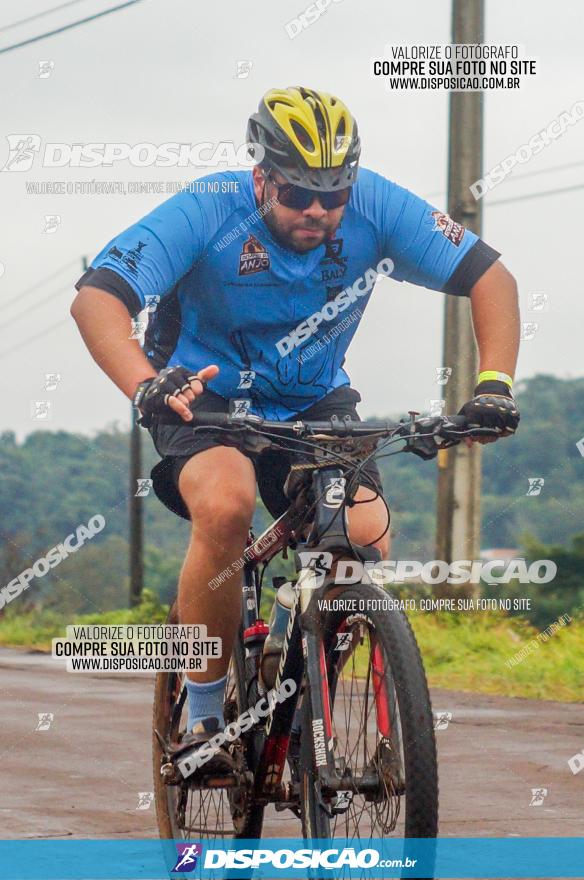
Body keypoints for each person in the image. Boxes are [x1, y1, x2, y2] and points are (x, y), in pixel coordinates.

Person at [71, 85, 520, 772]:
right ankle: (205, 714)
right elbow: (97, 298)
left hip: (312, 401)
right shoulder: (207, 207)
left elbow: (492, 279)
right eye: (297, 194)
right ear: (261, 177)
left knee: (362, 536)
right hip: (203, 395)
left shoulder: (377, 205)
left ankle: (308, 684)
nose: (316, 211)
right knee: (226, 505)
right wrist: (144, 384)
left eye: (332, 197)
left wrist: (493, 386)